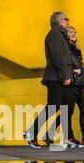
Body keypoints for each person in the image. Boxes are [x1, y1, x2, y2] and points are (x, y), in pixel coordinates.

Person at [24, 11, 77, 149]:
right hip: (55, 77)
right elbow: (58, 57)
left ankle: (66, 138)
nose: (68, 21)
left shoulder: (59, 34)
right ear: (59, 21)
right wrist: (65, 76)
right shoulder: (54, 34)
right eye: (66, 19)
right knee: (53, 107)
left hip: (58, 77)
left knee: (65, 107)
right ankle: (31, 132)